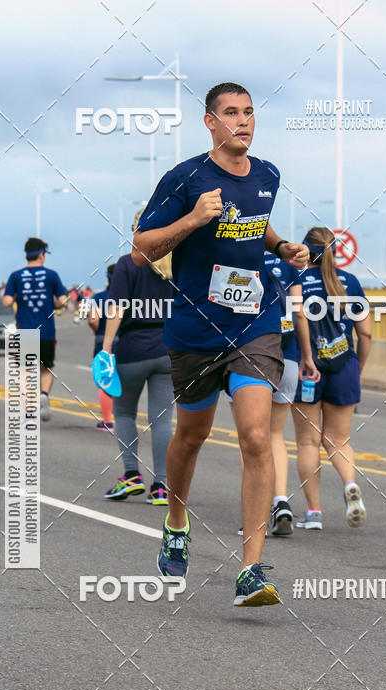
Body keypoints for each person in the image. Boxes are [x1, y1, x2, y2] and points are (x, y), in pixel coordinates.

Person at [132, 81, 309, 607]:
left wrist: (282, 245)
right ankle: (177, 521)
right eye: (231, 113)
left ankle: (251, 568)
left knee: (256, 436)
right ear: (210, 121)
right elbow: (141, 248)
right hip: (194, 328)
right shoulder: (185, 178)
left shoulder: (269, 174)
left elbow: (257, 224)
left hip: (255, 322)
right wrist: (191, 218)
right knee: (192, 435)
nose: (243, 122)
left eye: (249, 112)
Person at [232, 252, 318, 536]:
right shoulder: (287, 264)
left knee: (249, 439)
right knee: (275, 436)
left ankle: (253, 513)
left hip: (249, 358)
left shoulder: (240, 260)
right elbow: (300, 313)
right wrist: (307, 355)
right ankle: (281, 501)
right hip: (288, 358)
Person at [291, 227, 372, 530]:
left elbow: (294, 319)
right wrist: (357, 367)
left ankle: (313, 513)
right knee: (338, 439)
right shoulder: (350, 282)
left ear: (304, 249)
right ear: (334, 251)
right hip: (345, 366)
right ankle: (350, 484)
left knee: (308, 442)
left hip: (307, 368)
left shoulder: (298, 281)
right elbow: (365, 333)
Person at [101, 216, 174, 505]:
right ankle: (162, 486)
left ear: (138, 231)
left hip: (132, 349)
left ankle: (131, 475)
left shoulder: (128, 263)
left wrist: (106, 348)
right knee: (162, 421)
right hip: (169, 350)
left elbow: (116, 307)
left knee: (124, 413)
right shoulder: (176, 263)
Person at [3, 237, 67, 422]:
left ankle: (29, 410)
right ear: (41, 254)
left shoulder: (15, 276)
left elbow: (7, 301)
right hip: (46, 331)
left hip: (24, 331)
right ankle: (44, 394)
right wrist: (54, 304)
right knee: (46, 368)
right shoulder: (52, 275)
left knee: (25, 370)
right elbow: (63, 301)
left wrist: (17, 296)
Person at [87, 263, 116, 432]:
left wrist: (96, 330)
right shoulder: (129, 297)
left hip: (103, 339)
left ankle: (107, 420)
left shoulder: (99, 298)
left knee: (105, 380)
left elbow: (92, 320)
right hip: (126, 340)